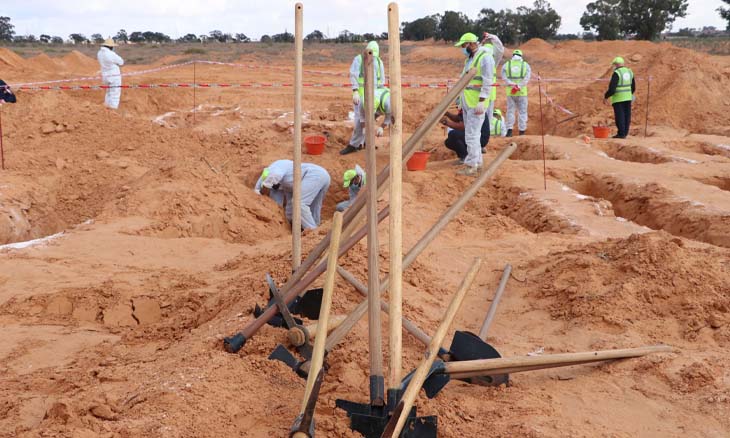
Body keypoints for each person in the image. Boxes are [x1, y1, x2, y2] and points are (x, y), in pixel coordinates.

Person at [454, 32, 495, 176]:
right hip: (467, 100)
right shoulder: (469, 60)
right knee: (472, 134)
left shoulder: (485, 58)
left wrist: (482, 101)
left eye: (464, 45)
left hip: (476, 102)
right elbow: (464, 80)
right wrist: (459, 100)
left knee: (472, 135)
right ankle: (477, 163)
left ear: (471, 44)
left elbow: (488, 80)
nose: (463, 48)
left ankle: (471, 165)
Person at [254, 160, 331, 230]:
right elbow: (277, 205)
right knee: (313, 204)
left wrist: (266, 187)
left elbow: (274, 177)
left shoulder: (274, 172)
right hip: (321, 176)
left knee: (299, 203)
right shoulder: (280, 180)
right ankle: (316, 226)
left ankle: (313, 231)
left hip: (314, 175)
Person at [341, 41, 386, 155]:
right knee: (359, 120)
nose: (372, 57)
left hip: (374, 97)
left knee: (371, 119)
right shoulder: (359, 60)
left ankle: (367, 142)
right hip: (361, 97)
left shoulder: (379, 62)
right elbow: (354, 75)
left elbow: (381, 82)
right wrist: (355, 91)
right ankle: (354, 145)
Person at [501, 49, 531, 137]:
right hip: (522, 92)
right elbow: (527, 78)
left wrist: (512, 84)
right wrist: (519, 86)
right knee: (522, 112)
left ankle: (509, 131)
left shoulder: (507, 65)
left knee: (510, 111)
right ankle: (522, 132)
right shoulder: (525, 65)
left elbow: (504, 77)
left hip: (511, 92)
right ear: (521, 56)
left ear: (513, 55)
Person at [603, 56, 635, 139]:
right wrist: (629, 94)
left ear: (616, 65)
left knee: (620, 116)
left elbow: (612, 89)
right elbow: (633, 87)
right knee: (627, 115)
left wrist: (606, 96)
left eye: (614, 65)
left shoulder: (617, 73)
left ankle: (621, 134)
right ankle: (625, 133)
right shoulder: (629, 72)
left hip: (618, 98)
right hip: (628, 98)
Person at [480, 33, 505, 129]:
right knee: (487, 119)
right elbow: (500, 48)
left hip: (481, 93)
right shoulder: (493, 55)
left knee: (479, 120)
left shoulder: (479, 52)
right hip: (489, 93)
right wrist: (492, 37)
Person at [97, 38, 124, 109]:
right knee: (115, 93)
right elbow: (121, 61)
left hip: (105, 75)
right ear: (110, 46)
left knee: (108, 93)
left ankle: (107, 108)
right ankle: (113, 110)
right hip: (114, 76)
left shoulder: (99, 53)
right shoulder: (111, 54)